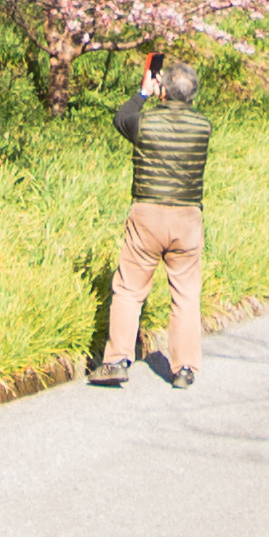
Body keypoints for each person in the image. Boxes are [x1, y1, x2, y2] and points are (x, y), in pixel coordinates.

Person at [93, 52, 208, 390]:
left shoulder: (144, 123)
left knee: (129, 289)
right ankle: (185, 368)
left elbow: (122, 117)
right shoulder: (204, 127)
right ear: (192, 95)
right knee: (186, 294)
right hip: (187, 217)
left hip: (147, 214)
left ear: (163, 90)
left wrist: (143, 93)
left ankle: (116, 360)